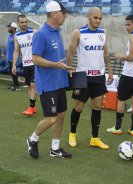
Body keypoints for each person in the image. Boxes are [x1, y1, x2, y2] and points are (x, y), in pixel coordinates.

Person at [26, 1, 74, 159]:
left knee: (61, 116)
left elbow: (58, 58)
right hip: (47, 84)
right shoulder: (41, 34)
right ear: (54, 14)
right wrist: (56, 65)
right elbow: (35, 59)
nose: (65, 16)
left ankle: (55, 149)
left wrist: (66, 68)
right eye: (62, 13)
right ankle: (32, 139)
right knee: (52, 118)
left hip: (60, 82)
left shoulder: (58, 32)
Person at [67, 7, 113, 149]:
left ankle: (95, 138)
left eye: (100, 18)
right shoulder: (78, 32)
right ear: (89, 17)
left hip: (99, 76)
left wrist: (110, 70)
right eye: (95, 18)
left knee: (97, 106)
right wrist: (69, 68)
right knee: (79, 107)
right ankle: (72, 134)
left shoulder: (103, 33)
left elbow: (105, 54)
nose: (98, 21)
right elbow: (71, 52)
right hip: (82, 76)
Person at [106, 15, 133, 136]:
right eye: (125, 24)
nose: (126, 27)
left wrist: (121, 56)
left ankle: (118, 128)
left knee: (121, 99)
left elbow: (132, 57)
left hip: (129, 74)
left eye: (128, 24)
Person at [12, 14, 37, 116]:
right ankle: (33, 106)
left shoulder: (34, 32)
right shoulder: (17, 35)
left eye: (26, 22)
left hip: (35, 63)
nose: (24, 24)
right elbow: (16, 51)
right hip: (25, 64)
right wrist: (14, 65)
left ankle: (31, 107)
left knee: (33, 84)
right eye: (22, 22)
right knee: (29, 86)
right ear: (18, 23)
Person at [6, 22, 20, 91]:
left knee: (13, 72)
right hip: (9, 58)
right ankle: (14, 84)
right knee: (11, 71)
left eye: (9, 27)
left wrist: (13, 59)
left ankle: (17, 86)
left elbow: (16, 49)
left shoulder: (16, 36)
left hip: (13, 58)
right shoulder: (10, 35)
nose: (8, 28)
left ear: (13, 28)